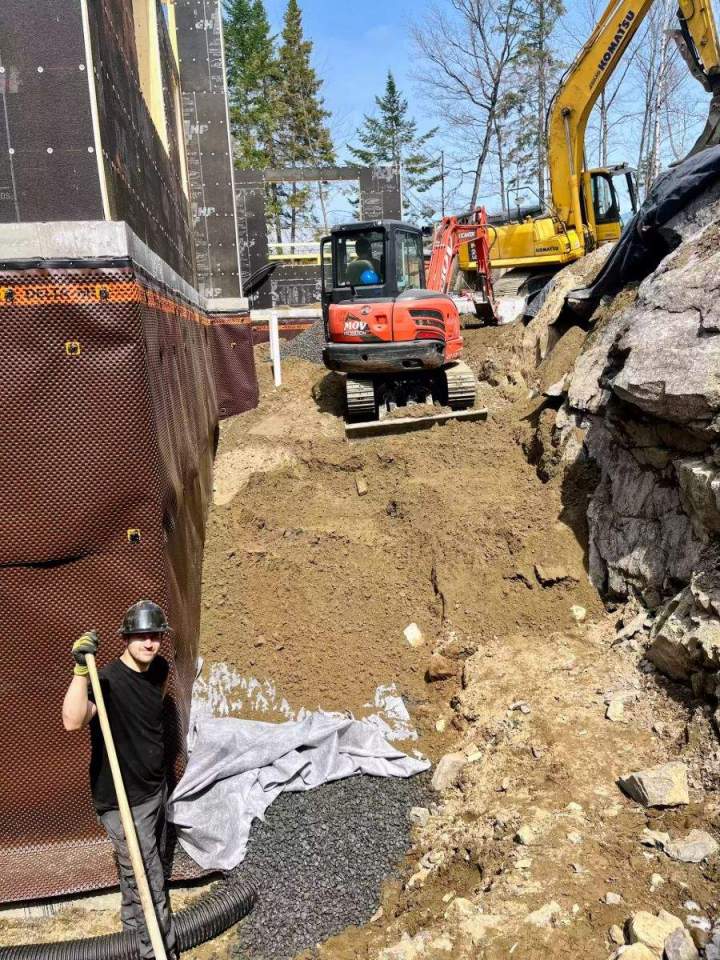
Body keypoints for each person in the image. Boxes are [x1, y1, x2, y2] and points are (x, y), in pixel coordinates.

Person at [62, 600, 178, 960]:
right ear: (126, 638)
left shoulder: (160, 669)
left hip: (154, 789)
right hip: (122, 800)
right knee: (150, 880)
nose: (149, 643)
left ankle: (130, 936)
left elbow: (152, 712)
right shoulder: (106, 679)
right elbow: (73, 720)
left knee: (141, 872)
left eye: (155, 636)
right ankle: (159, 952)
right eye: (141, 636)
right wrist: (81, 673)